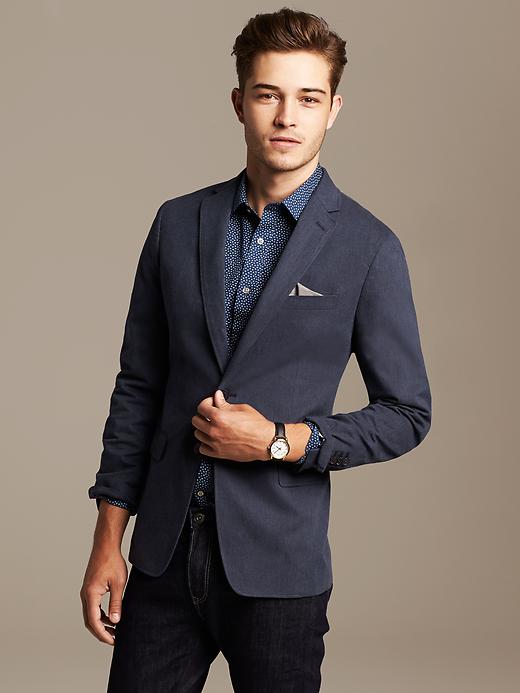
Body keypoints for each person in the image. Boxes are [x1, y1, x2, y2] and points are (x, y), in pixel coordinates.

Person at [80, 7, 431, 692]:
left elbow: (408, 413)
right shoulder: (177, 222)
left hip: (279, 568)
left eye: (308, 98)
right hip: (161, 558)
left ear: (333, 110)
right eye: (269, 94)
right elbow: (139, 388)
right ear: (240, 102)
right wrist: (107, 542)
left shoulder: (368, 247)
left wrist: (279, 440)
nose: (287, 117)